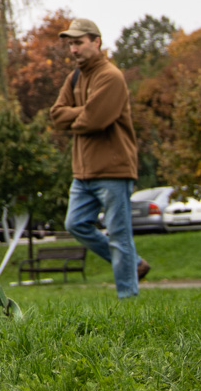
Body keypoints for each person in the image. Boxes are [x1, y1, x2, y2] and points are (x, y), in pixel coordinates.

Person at [47, 17, 147, 298]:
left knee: (118, 234)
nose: (74, 50)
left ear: (96, 42)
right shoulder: (75, 77)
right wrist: (81, 113)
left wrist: (77, 115)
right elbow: (56, 115)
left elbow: (94, 121)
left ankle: (128, 296)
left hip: (113, 169)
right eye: (70, 44)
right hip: (83, 171)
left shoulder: (110, 76)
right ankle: (135, 263)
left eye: (78, 43)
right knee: (75, 224)